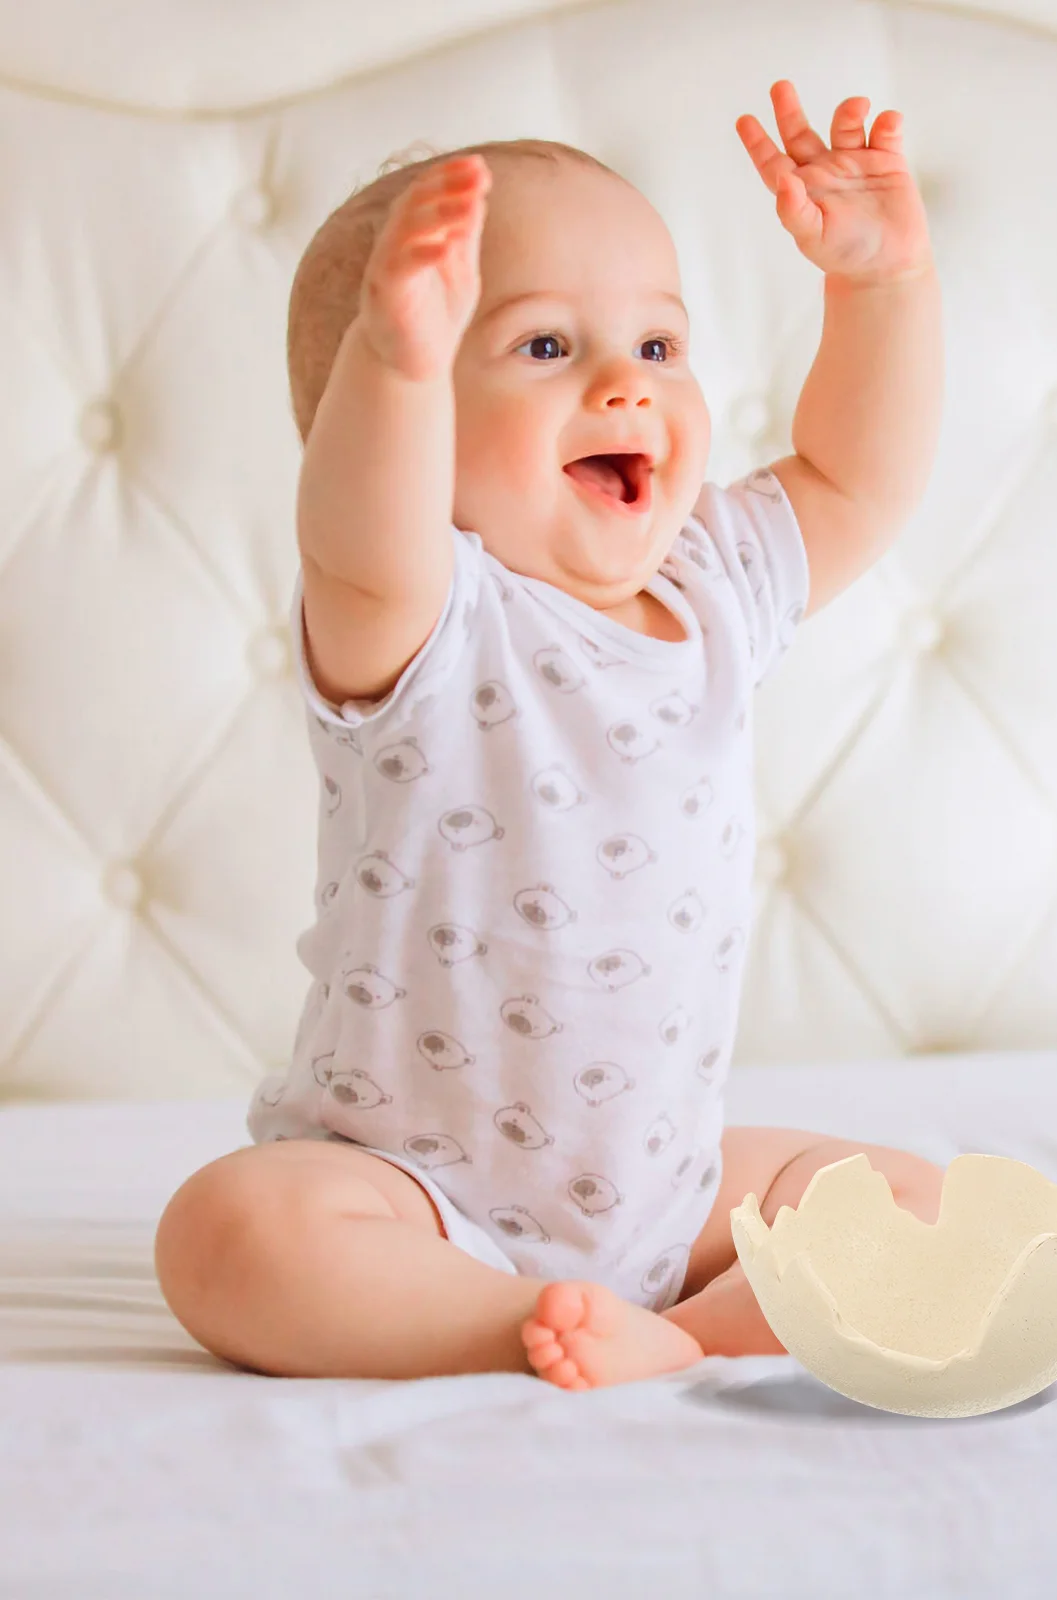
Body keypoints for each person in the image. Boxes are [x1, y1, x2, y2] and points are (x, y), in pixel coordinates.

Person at [155, 80, 945, 1388]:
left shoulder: (715, 587)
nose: (625, 390)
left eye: (656, 346)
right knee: (231, 1234)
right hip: (412, 1193)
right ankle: (498, 1323)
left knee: (906, 1197)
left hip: (664, 1192)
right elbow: (354, 530)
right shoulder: (421, 613)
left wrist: (885, 286)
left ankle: (680, 1338)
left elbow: (859, 475)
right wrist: (392, 364)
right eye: (541, 347)